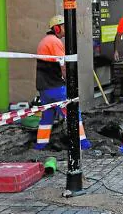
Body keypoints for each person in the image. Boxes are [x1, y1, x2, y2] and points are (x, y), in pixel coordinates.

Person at [34, 15, 91, 151]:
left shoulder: (45, 41)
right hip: (56, 87)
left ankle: (40, 145)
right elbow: (63, 65)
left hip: (44, 88)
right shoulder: (55, 42)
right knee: (72, 113)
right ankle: (83, 143)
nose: (66, 30)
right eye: (64, 27)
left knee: (47, 116)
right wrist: (71, 83)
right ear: (57, 28)